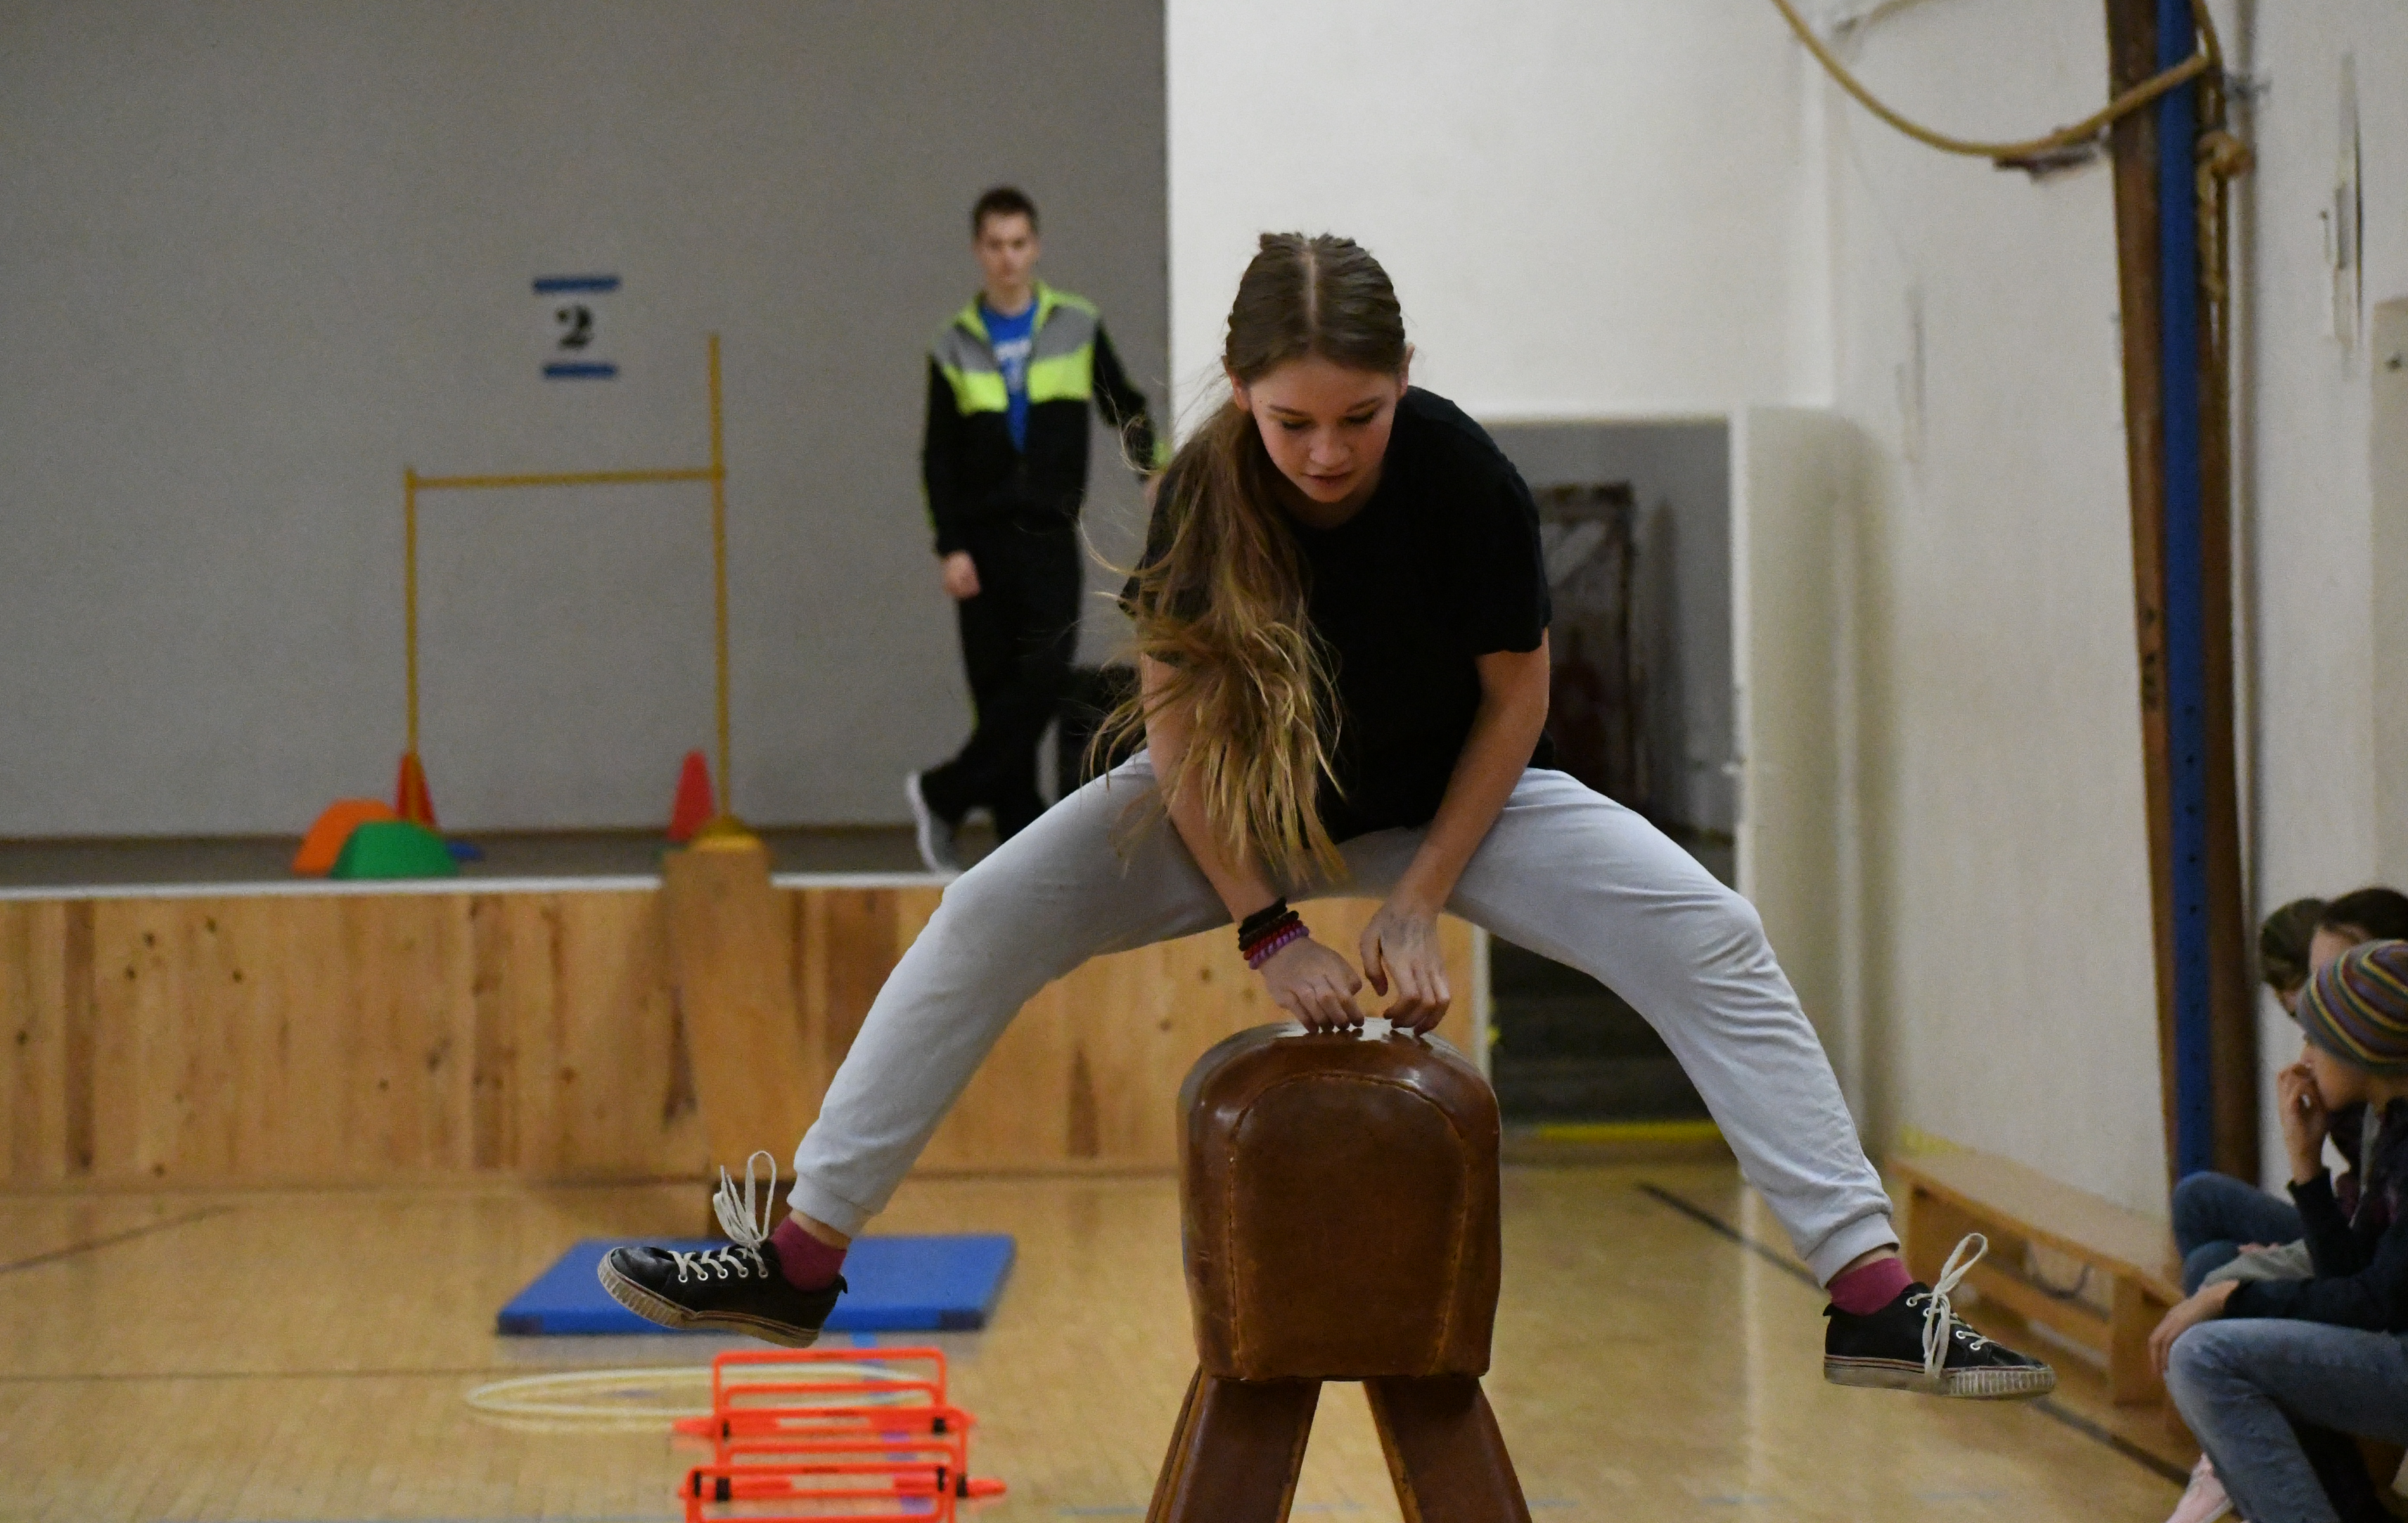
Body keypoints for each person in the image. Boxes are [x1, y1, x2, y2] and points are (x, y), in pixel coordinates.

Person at [597, 233, 2054, 1401]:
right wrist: (1268, 930)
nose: (1326, 453)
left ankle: (1869, 1294)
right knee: (980, 916)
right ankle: (800, 1258)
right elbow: (1176, 735)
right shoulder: (1203, 497)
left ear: (1403, 380)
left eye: (1359, 416)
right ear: (1241, 391)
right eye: (1291, 420)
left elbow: (1515, 704)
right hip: (1242, 807)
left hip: (1453, 799)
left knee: (1711, 931)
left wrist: (1420, 897)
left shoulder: (1463, 480)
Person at [904, 186, 1163, 872]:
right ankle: (1016, 859)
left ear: (1036, 247)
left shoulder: (1075, 325)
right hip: (981, 544)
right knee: (996, 697)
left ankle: (943, 792)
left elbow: (1124, 403)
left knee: (1044, 678)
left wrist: (1151, 469)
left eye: (1019, 244)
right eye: (995, 245)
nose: (1008, 258)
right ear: (978, 250)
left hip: (1049, 534)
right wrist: (950, 546)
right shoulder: (953, 344)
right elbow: (937, 457)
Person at [2155, 940, 2408, 1523]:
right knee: (2230, 1328)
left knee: (2205, 1357)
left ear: (2364, 1047)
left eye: (2316, 1040)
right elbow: (2350, 1277)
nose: (2305, 1059)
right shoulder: (2394, 1123)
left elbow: (2376, 1303)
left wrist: (2232, 1296)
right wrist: (2307, 1165)